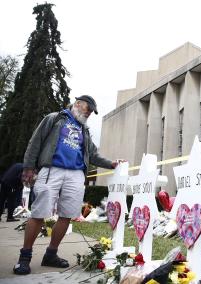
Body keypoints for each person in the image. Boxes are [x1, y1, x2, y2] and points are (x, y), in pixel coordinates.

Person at [14, 95, 122, 275]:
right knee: (39, 212)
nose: (88, 114)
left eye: (91, 112)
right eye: (88, 109)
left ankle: (51, 254)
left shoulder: (85, 131)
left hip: (76, 175)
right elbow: (36, 141)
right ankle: (24, 257)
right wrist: (29, 167)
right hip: (52, 169)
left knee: (67, 215)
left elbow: (93, 155)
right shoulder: (54, 118)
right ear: (78, 104)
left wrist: (112, 164)